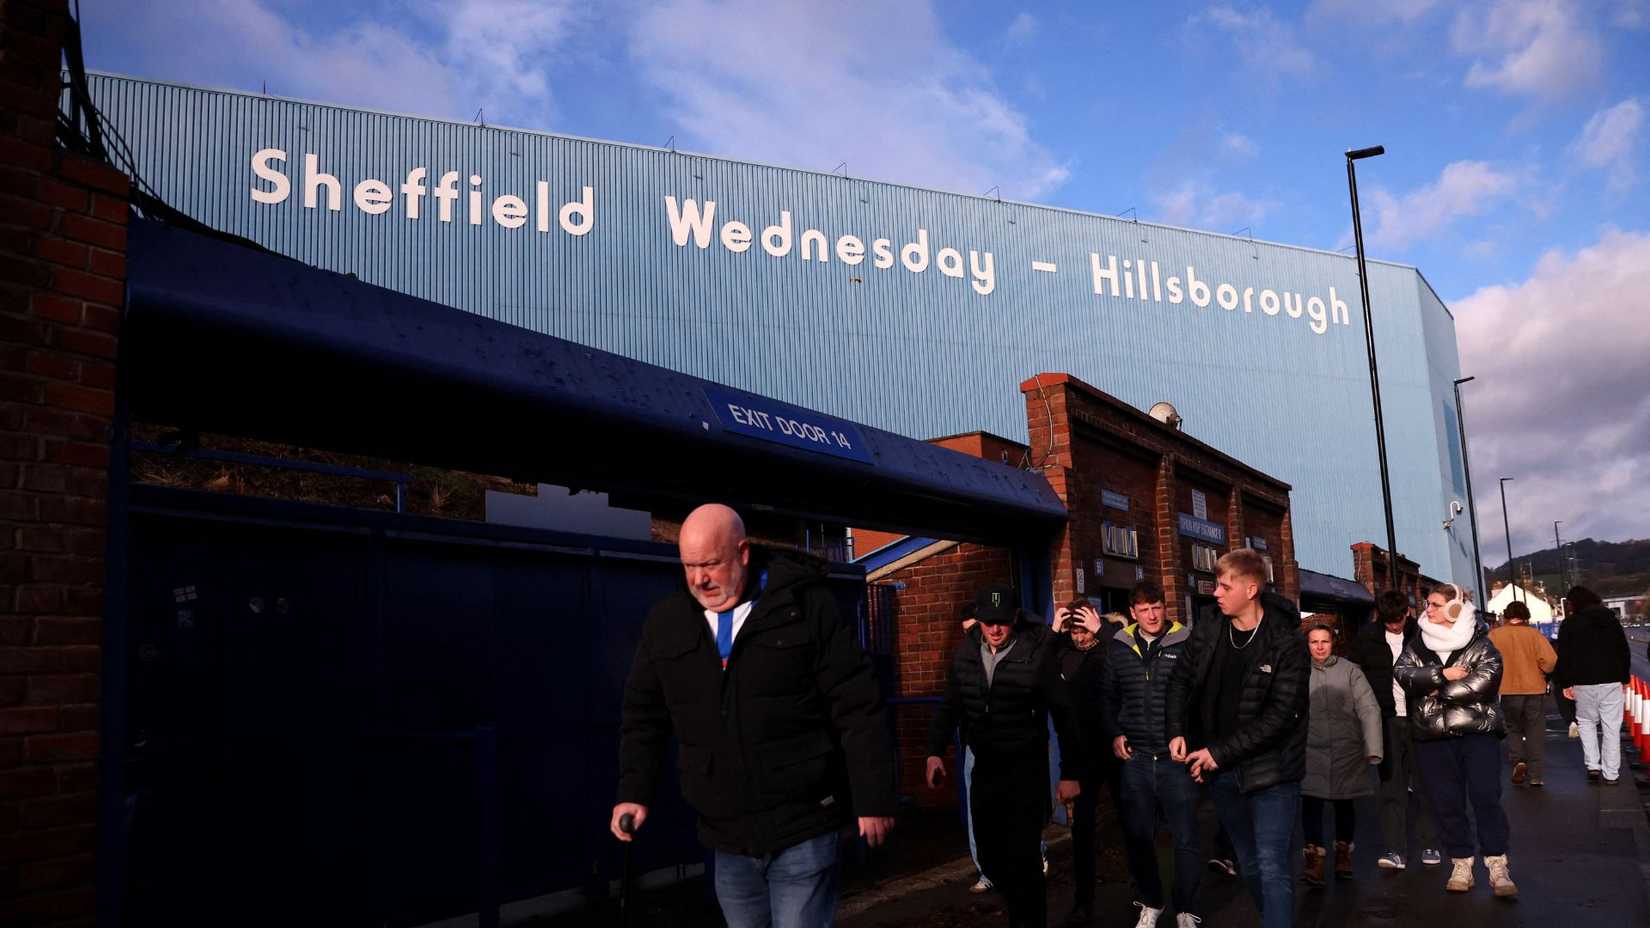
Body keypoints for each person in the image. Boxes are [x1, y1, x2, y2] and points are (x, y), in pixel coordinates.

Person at [613, 504, 897, 927]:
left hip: (804, 824)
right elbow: (644, 716)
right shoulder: (668, 623)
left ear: (743, 553)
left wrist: (873, 797)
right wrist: (634, 790)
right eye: (689, 566)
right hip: (727, 838)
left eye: (710, 564)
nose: (699, 579)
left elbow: (856, 705)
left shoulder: (803, 608)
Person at [1167, 548, 1309, 928]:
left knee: (1271, 863)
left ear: (1250, 589)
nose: (1215, 592)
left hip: (1272, 771)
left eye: (1224, 585)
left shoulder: (1287, 642)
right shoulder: (1211, 625)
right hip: (1221, 771)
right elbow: (1181, 678)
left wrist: (1218, 753)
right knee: (1248, 863)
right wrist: (1178, 730)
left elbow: (1281, 716)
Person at [928, 586, 1082, 928]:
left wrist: (1069, 772)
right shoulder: (966, 653)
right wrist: (935, 751)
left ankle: (1028, 921)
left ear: (1014, 619)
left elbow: (1064, 713)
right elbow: (951, 703)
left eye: (1001, 622)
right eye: (987, 622)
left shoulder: (1036, 654)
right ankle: (1017, 902)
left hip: (1025, 771)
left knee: (1024, 860)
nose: (995, 630)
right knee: (990, 857)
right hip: (985, 768)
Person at [1394, 584, 1516, 898]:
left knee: (1485, 796)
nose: (1427, 610)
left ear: (1454, 610)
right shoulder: (1417, 643)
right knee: (1446, 802)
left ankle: (1496, 864)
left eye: (1435, 605)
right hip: (1433, 738)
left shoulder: (1481, 643)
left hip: (1479, 734)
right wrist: (1442, 675)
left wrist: (1438, 692)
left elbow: (1485, 680)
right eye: (1428, 604)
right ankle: (1461, 862)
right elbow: (1403, 674)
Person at [1100, 581, 1203, 928]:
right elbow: (1108, 697)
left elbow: (1199, 698)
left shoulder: (1186, 642)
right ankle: (1152, 902)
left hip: (1177, 759)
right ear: (1133, 613)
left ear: (1164, 606)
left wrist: (1194, 743)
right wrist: (1115, 733)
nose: (1152, 615)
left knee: (1186, 836)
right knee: (1139, 836)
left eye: (1156, 607)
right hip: (1137, 760)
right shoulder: (1119, 647)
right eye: (1144, 610)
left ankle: (1185, 907)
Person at [1347, 590, 1440, 869]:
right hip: (1385, 720)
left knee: (1426, 784)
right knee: (1390, 787)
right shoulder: (1366, 637)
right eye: (1388, 620)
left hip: (1421, 718)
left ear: (1407, 614)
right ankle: (1394, 850)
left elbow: (1441, 668)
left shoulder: (1424, 637)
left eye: (1397, 620)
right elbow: (1354, 675)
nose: (1393, 625)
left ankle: (1430, 844)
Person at [1300, 624, 1382, 885]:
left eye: (1325, 641)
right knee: (1310, 803)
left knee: (1344, 803)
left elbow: (1368, 708)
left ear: (1333, 643)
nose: (1320, 647)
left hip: (1347, 749)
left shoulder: (1350, 671)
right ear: (1308, 644)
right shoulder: (1297, 671)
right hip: (1309, 749)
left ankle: (1344, 853)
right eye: (1315, 642)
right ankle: (1314, 857)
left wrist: (1373, 748)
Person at [1050, 599, 1110, 926]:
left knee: (1136, 826)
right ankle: (1082, 903)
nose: (1079, 635)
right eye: (1074, 629)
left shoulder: (1110, 649)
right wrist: (1054, 631)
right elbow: (1037, 663)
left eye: (1084, 627)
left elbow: (1126, 655)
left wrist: (1103, 629)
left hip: (1117, 753)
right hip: (1081, 757)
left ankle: (1147, 895)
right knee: (1082, 833)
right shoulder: (1063, 655)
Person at [1554, 585, 1631, 784]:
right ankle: (1611, 773)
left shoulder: (1569, 624)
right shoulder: (1610, 621)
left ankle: (1593, 766)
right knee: (1611, 728)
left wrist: (1565, 683)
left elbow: (1563, 656)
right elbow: (1623, 651)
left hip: (1582, 682)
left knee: (1586, 723)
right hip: (1611, 680)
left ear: (1573, 603)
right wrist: (1624, 678)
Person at [1488, 600, 1557, 786]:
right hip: (1534, 689)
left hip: (1507, 689)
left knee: (1513, 728)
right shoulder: (1534, 635)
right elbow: (1550, 660)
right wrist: (1542, 671)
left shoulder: (1494, 635)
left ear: (1506, 616)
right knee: (1535, 730)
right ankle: (1535, 775)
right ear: (1526, 616)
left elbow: (1487, 662)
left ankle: (1518, 760)